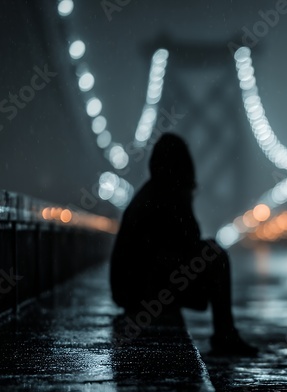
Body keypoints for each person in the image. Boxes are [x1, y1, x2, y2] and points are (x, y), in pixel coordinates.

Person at [109, 133, 257, 356]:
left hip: (131, 290)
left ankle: (225, 335)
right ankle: (225, 335)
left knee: (210, 253)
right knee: (215, 256)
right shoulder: (167, 196)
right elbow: (187, 241)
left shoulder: (150, 193)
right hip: (142, 292)